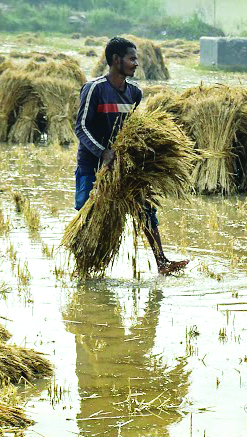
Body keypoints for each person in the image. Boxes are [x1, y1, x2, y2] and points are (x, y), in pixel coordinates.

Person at [74, 37, 188, 275]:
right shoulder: (94, 89)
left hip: (122, 164)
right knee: (87, 213)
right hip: (92, 163)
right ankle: (83, 267)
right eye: (131, 58)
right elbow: (81, 127)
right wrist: (103, 153)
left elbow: (132, 129)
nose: (136, 63)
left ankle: (162, 262)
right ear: (116, 60)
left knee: (145, 208)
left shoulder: (134, 93)